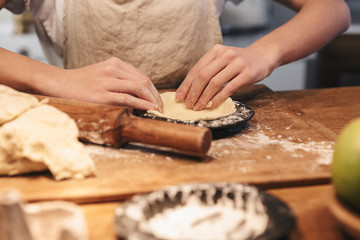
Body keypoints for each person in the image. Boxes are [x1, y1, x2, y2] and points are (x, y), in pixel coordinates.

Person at [0, 0, 351, 113]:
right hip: (92, 129)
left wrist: (264, 52)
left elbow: (332, 9)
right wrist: (53, 79)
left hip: (211, 133)